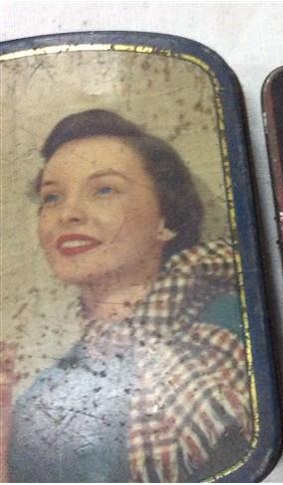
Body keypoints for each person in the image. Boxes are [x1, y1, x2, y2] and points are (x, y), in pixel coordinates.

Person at [0, 110, 252, 482]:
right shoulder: (42, 393)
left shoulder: (239, 326)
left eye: (104, 189)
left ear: (166, 220)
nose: (67, 214)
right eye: (51, 197)